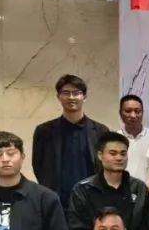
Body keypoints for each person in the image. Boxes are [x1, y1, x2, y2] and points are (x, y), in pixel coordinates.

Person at [31, 74, 110, 208]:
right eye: (66, 93)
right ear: (58, 97)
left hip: (92, 200)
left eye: (76, 93)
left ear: (84, 97)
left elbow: (106, 165)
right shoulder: (44, 131)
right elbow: (38, 165)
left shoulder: (101, 131)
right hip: (57, 201)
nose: (71, 97)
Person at [67, 131, 149, 230]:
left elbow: (144, 229)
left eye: (123, 153)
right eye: (113, 153)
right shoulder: (83, 189)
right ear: (100, 155)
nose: (119, 158)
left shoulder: (139, 188)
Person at [117, 93, 149, 184]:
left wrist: (148, 191)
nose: (133, 115)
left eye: (137, 111)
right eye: (128, 111)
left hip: (148, 190)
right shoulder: (114, 139)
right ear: (120, 113)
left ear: (142, 113)